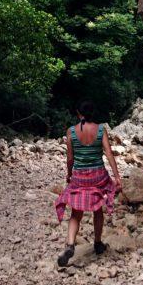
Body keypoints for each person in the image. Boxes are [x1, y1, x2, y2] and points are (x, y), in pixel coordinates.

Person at [55, 99, 122, 268]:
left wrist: (69, 175)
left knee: (76, 213)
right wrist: (117, 176)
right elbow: (108, 153)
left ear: (79, 113)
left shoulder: (71, 131)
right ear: (93, 113)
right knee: (97, 209)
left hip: (79, 176)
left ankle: (70, 245)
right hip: (97, 176)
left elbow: (70, 158)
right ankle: (98, 243)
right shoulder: (101, 130)